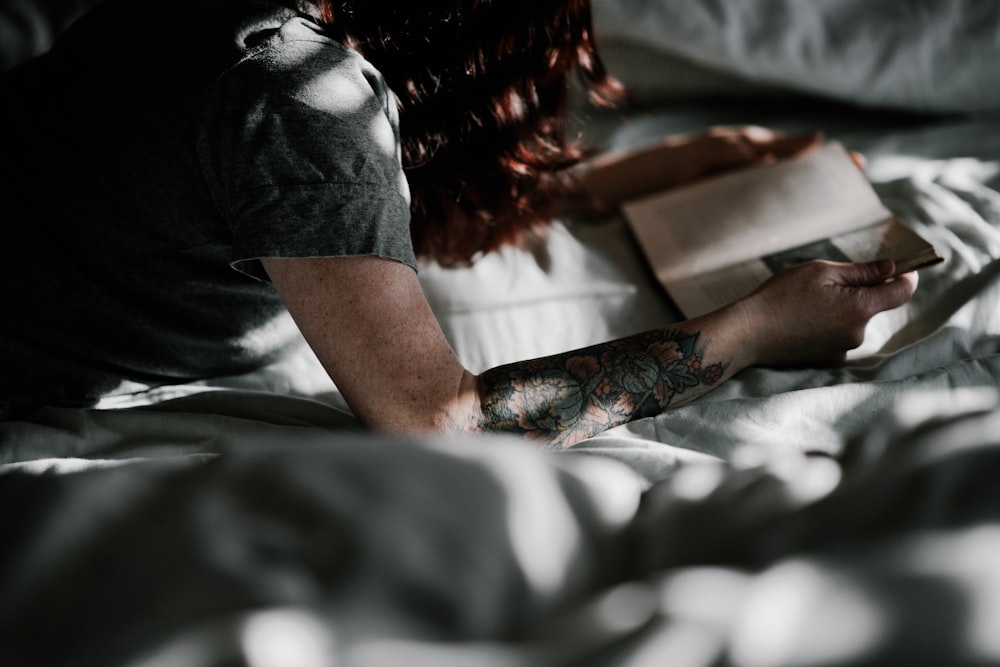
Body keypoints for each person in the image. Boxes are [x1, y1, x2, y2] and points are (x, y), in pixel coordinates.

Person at [0, 0, 916, 447]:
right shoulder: (300, 101)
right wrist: (756, 329)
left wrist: (634, 172)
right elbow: (442, 427)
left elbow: (285, 189)